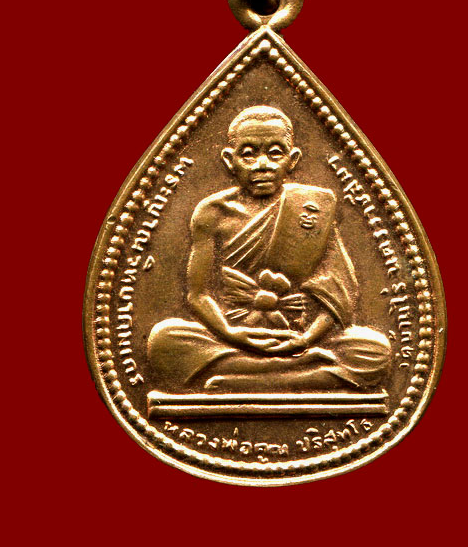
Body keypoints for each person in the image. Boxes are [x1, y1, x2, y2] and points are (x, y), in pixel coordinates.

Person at [148, 106, 391, 392]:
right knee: (165, 341)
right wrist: (232, 334)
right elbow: (198, 294)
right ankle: (301, 374)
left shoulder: (311, 208)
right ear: (229, 160)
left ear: (292, 159)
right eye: (248, 154)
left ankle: (250, 379)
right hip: (231, 335)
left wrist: (306, 340)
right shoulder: (212, 212)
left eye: (275, 153)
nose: (262, 164)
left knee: (374, 350)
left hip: (298, 336)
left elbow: (339, 293)